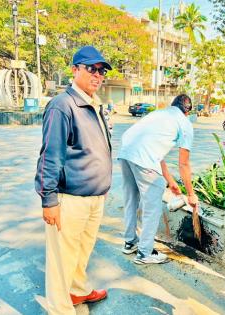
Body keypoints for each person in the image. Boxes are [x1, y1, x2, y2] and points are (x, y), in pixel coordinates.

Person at [35, 45, 113, 315]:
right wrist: (49, 200)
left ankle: (78, 291)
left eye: (101, 71)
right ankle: (60, 309)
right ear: (75, 70)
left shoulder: (93, 104)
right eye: (91, 68)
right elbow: (50, 156)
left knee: (82, 252)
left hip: (93, 198)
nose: (97, 75)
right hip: (70, 199)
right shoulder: (62, 106)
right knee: (61, 261)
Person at [118, 94, 198, 264]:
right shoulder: (185, 124)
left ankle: (130, 242)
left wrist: (171, 182)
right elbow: (183, 164)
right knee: (151, 208)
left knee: (131, 200)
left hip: (125, 154)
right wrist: (191, 195)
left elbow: (156, 153)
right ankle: (144, 253)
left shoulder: (158, 114)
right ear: (188, 111)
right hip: (143, 159)